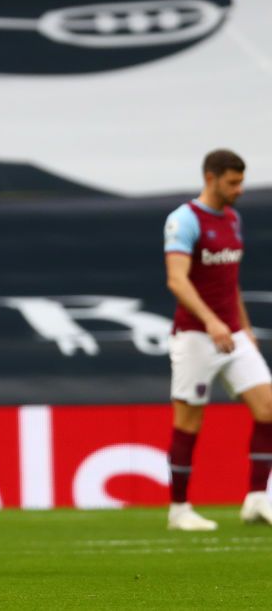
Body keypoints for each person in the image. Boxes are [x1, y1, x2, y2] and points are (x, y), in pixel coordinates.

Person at [164, 149, 272, 530]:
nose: (240, 189)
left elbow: (230, 282)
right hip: (196, 336)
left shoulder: (232, 219)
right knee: (188, 423)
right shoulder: (183, 221)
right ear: (211, 178)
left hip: (233, 333)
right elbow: (177, 279)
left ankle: (257, 499)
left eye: (241, 181)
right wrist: (211, 322)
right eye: (233, 182)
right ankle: (179, 510)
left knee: (268, 409)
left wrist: (245, 329)